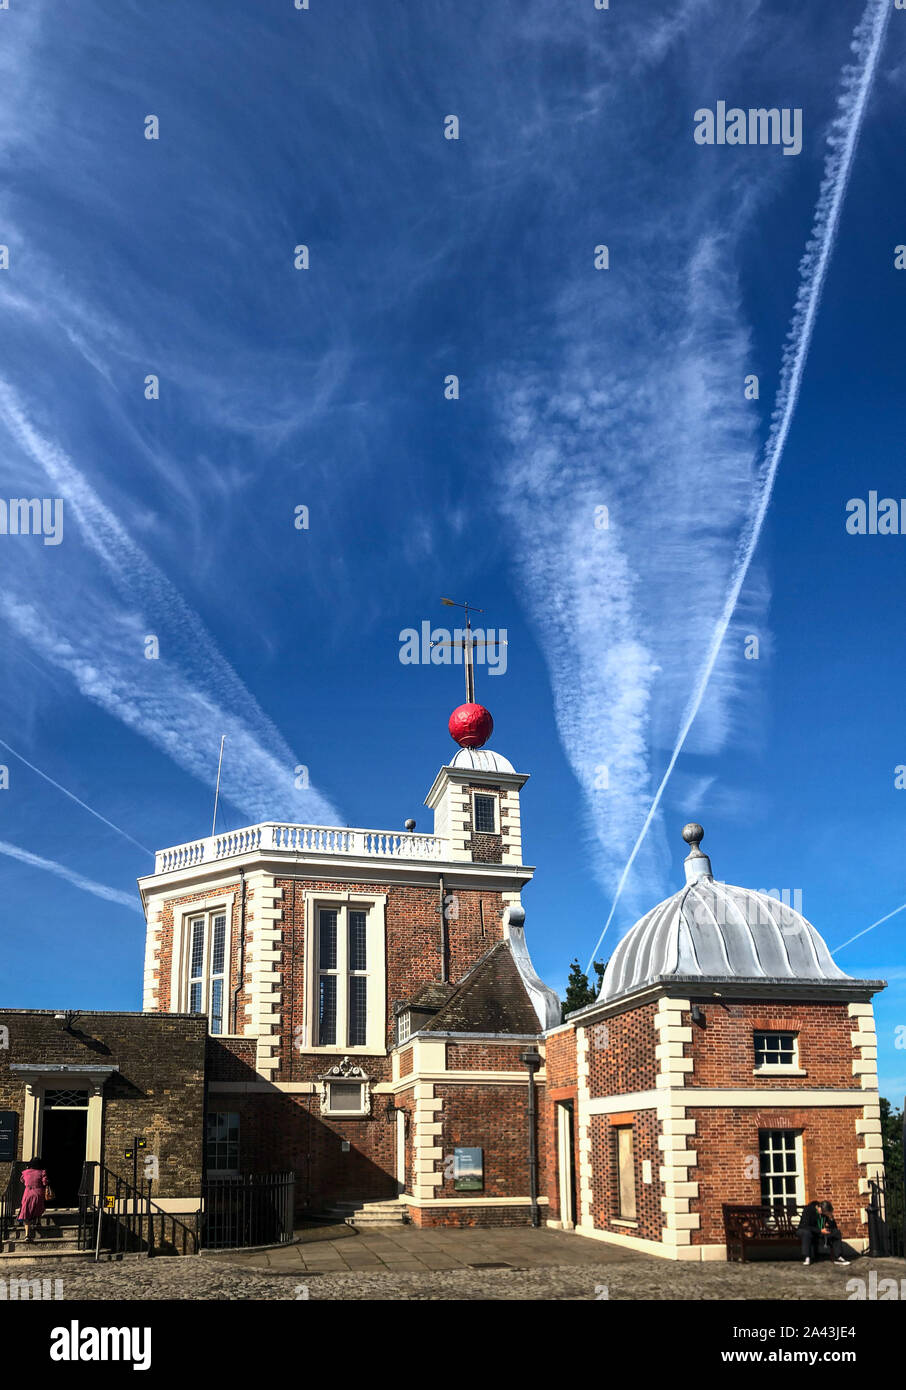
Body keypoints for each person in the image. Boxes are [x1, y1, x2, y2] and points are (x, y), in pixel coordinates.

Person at [799, 1198, 850, 1265]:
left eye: (825, 1213)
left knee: (836, 1232)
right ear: (819, 1208)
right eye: (824, 1213)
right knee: (807, 1233)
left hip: (819, 1231)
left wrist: (831, 1218)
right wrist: (820, 1230)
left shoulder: (824, 1213)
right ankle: (807, 1257)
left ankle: (838, 1257)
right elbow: (805, 1226)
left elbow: (834, 1227)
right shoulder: (808, 1210)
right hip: (805, 1230)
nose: (823, 1214)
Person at [17, 1156, 50, 1242]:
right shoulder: (42, 1172)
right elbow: (45, 1182)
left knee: (26, 1213)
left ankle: (27, 1235)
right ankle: (38, 1221)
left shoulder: (25, 1172)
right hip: (38, 1192)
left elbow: (22, 1180)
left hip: (28, 1193)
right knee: (38, 1208)